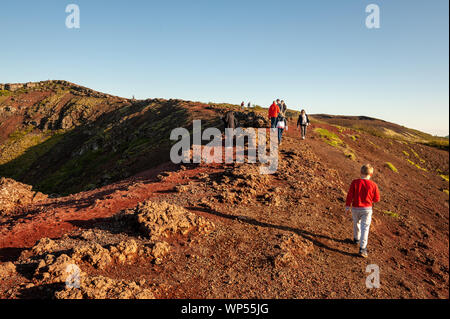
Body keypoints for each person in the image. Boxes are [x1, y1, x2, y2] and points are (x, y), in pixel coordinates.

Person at [345, 164, 381, 258]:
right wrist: (370, 199)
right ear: (371, 174)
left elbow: (350, 195)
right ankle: (362, 249)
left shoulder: (355, 182)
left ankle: (356, 239)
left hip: (355, 208)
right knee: (365, 228)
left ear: (360, 172)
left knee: (356, 223)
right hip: (367, 209)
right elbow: (377, 199)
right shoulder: (373, 185)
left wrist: (347, 206)